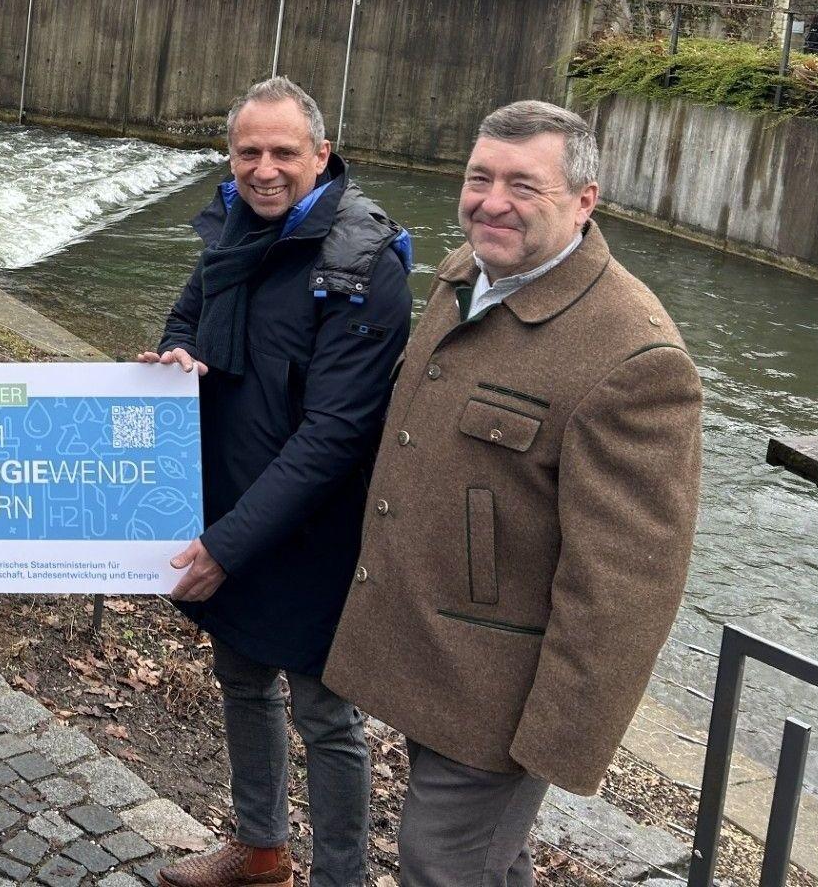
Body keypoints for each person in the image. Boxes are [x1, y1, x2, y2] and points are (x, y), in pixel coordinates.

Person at [324, 100, 703, 887]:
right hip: (427, 647)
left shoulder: (634, 356)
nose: (491, 201)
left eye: (523, 185)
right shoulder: (468, 274)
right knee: (487, 859)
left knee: (442, 862)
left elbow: (627, 582)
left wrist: (556, 741)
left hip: (500, 691)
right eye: (479, 177)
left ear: (584, 201)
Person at [142, 77, 412, 887]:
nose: (263, 169)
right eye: (248, 151)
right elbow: (186, 315)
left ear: (320, 155)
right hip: (231, 496)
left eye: (282, 152)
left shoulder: (364, 263)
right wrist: (177, 358)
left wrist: (225, 546)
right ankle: (260, 849)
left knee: (327, 713)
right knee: (241, 677)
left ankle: (340, 877)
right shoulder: (230, 225)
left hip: (316, 529)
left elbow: (335, 434)